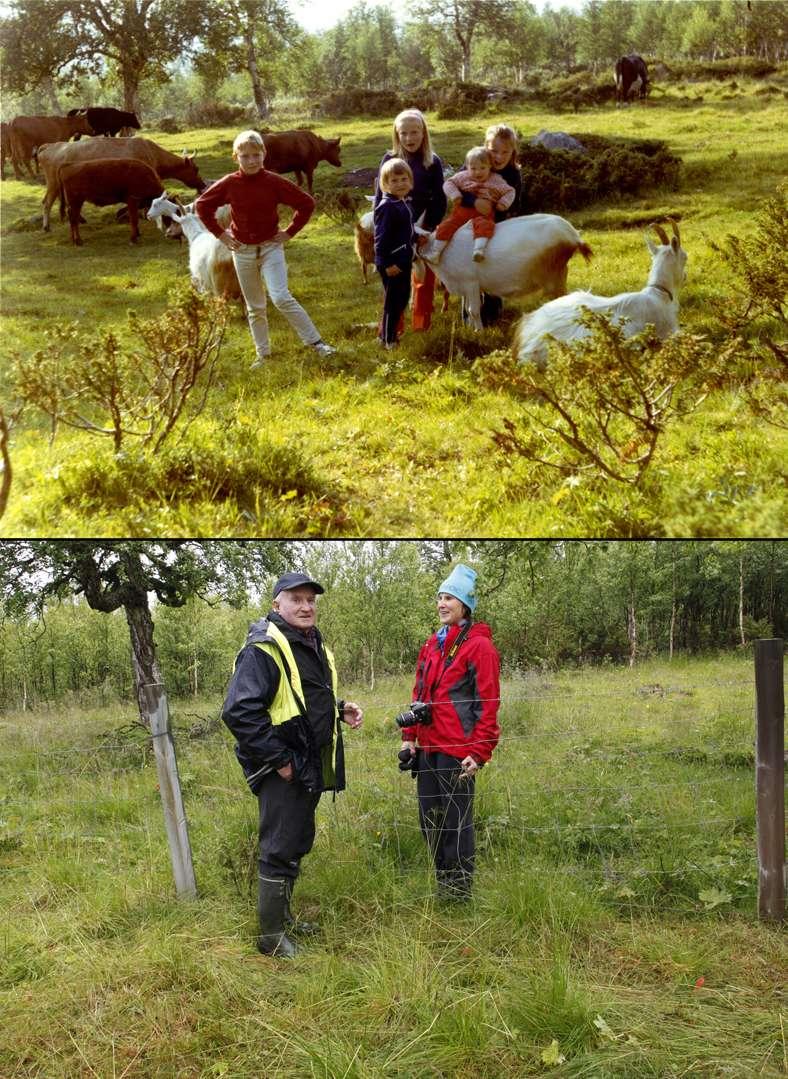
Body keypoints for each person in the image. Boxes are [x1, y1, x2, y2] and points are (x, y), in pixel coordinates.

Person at [221, 571, 363, 957]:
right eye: (296, 599)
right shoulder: (263, 648)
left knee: (297, 840)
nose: (306, 606)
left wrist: (339, 710)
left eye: (310, 600)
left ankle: (283, 922)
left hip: (308, 762)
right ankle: (270, 937)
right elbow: (239, 712)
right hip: (283, 766)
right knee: (279, 845)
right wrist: (280, 760)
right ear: (276, 604)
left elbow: (301, 700)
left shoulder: (311, 644)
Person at [399, 564, 500, 901]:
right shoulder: (431, 644)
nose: (442, 603)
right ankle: (444, 883)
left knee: (457, 823)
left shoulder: (479, 647)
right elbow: (419, 694)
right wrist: (409, 738)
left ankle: (459, 893)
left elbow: (488, 703)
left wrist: (480, 752)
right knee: (431, 820)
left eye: (450, 598)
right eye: (440, 597)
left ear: (464, 605)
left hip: (460, 751)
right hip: (428, 746)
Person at [195, 130, 336, 370]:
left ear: (264, 154)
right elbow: (202, 205)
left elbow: (306, 204)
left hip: (271, 248)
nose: (251, 161)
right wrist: (222, 235)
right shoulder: (230, 184)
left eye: (256, 155)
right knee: (255, 306)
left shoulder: (273, 181)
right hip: (242, 251)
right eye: (245, 156)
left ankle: (317, 343)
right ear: (235, 157)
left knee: (281, 296)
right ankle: (263, 355)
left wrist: (289, 232)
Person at [374, 109, 446, 331]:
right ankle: (392, 328)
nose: (409, 138)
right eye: (403, 133)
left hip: (423, 223)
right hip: (396, 225)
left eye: (414, 132)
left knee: (424, 276)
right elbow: (379, 197)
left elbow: (439, 198)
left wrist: (427, 228)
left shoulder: (432, 161)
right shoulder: (389, 159)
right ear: (396, 135)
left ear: (423, 133)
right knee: (396, 279)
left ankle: (421, 323)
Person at [461, 124, 524, 326]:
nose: (499, 156)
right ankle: (468, 312)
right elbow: (459, 190)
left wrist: (498, 209)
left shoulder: (513, 174)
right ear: (485, 147)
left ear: (513, 152)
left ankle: (492, 313)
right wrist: (474, 203)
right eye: (494, 150)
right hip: (468, 224)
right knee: (469, 269)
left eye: (505, 152)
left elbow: (515, 203)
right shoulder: (474, 165)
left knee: (493, 267)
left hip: (498, 227)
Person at [428, 146, 515, 263]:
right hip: (462, 212)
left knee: (486, 225)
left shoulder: (496, 180)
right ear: (467, 167)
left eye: (482, 168)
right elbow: (448, 183)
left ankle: (478, 250)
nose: (478, 172)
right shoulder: (463, 176)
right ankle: (435, 252)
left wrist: (503, 203)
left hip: (483, 214)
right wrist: (455, 195)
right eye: (473, 168)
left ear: (490, 166)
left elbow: (510, 191)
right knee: (446, 226)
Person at [374, 158, 416, 348]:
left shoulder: (402, 202)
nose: (400, 184)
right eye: (394, 181)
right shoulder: (387, 207)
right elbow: (381, 238)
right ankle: (388, 339)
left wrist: (415, 238)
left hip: (403, 260)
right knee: (392, 302)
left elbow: (404, 231)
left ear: (410, 181)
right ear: (385, 184)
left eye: (403, 179)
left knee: (403, 297)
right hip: (392, 263)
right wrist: (385, 263)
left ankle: (390, 335)